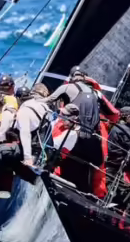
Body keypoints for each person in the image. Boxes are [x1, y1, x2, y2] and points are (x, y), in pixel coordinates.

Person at [43, 67, 119, 195]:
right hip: (93, 135)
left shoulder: (67, 89)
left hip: (68, 130)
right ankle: (97, 196)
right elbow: (115, 115)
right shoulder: (97, 93)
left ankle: (49, 174)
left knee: (56, 150)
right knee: (99, 166)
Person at [15, 83, 51, 166]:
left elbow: (25, 133)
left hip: (26, 150)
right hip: (40, 150)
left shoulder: (26, 108)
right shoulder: (46, 108)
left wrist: (27, 157)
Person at [106, 106, 130, 185]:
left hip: (109, 162)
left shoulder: (116, 127)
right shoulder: (124, 131)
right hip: (114, 165)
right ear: (128, 117)